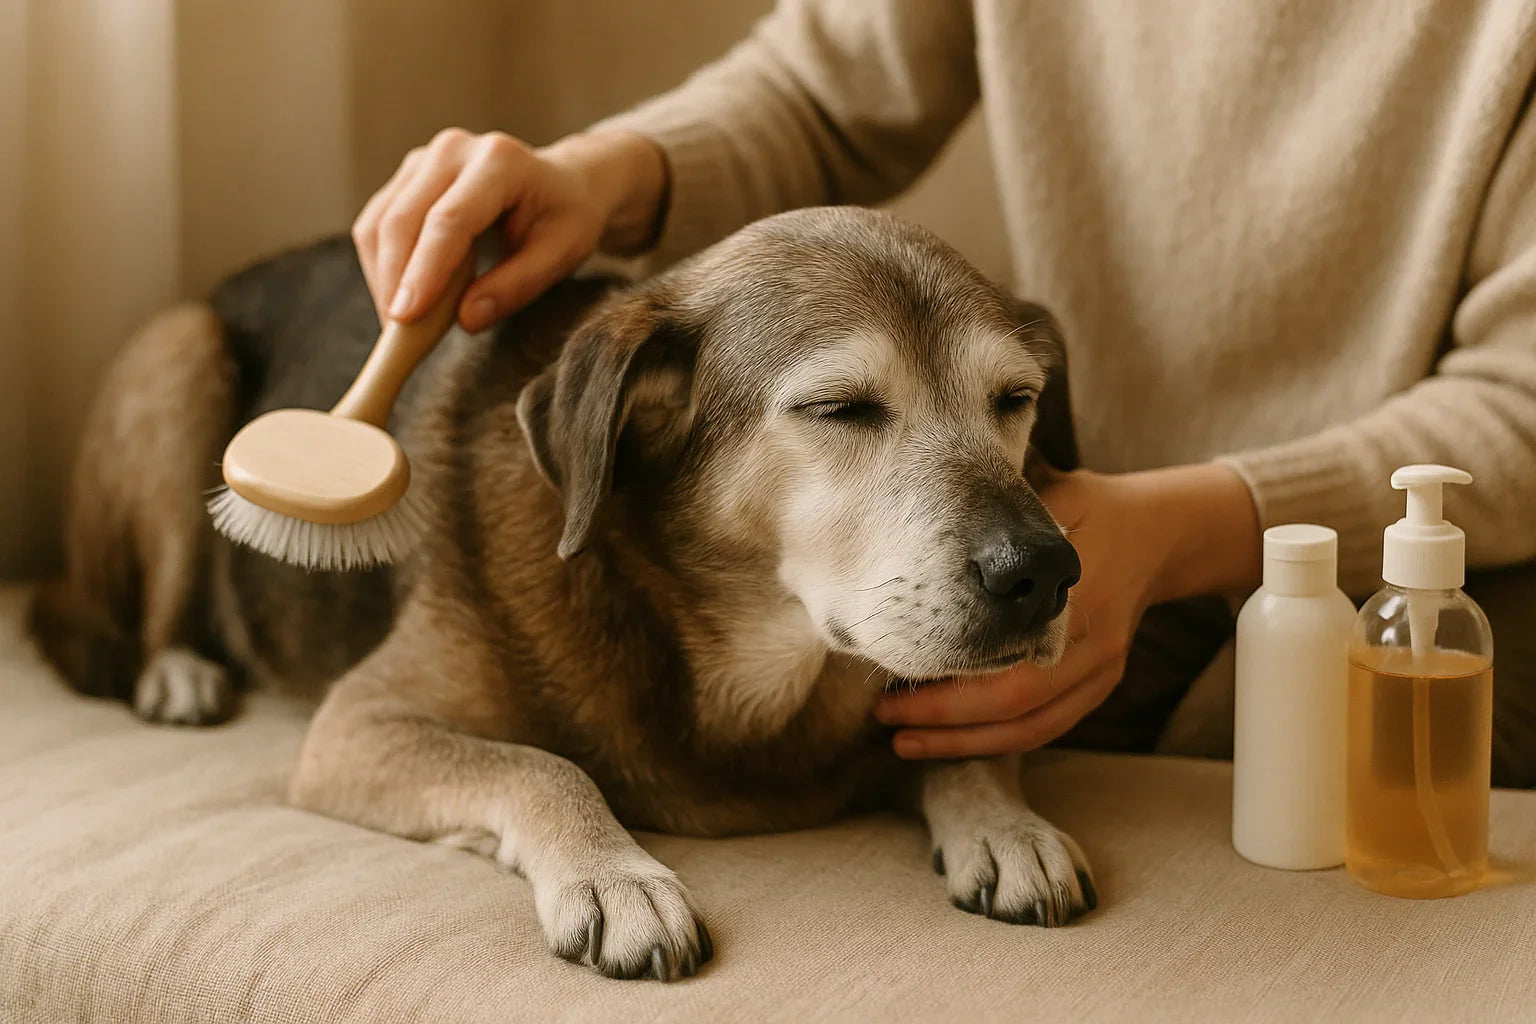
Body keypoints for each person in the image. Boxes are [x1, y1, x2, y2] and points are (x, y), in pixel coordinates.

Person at [350, 0, 1536, 784]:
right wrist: (603, 173)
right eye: (845, 410)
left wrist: (1179, 533)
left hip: (1441, 559)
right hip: (1067, 520)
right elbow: (823, 91)